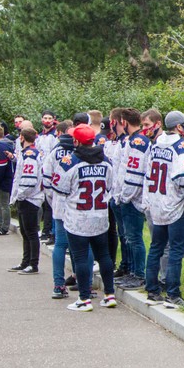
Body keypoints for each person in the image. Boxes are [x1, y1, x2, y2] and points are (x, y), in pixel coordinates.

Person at [52, 123, 117, 312]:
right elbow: (110, 185)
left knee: (80, 258)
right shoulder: (105, 160)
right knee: (104, 255)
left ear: (75, 141)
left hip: (78, 218)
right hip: (100, 216)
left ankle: (84, 298)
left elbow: (60, 188)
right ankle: (109, 295)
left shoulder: (69, 161)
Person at [143, 111, 184, 309]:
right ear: (178, 127)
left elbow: (147, 174)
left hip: (157, 204)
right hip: (176, 205)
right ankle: (173, 294)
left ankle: (152, 290)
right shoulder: (182, 147)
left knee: (156, 247)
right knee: (175, 250)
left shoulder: (155, 144)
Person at [115, 108, 157, 290]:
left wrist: (125, 196)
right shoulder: (131, 141)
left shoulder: (138, 142)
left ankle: (138, 274)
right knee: (128, 237)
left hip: (133, 197)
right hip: (127, 195)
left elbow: (135, 173)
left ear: (123, 122)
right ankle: (132, 271)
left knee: (134, 237)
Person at [44, 120, 83, 298]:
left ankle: (58, 285)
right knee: (83, 246)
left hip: (59, 203)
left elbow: (47, 180)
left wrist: (53, 200)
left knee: (60, 244)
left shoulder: (55, 153)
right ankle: (86, 284)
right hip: (80, 205)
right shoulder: (84, 153)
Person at [8, 127, 44, 274]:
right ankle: (25, 261)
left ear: (22, 138)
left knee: (31, 232)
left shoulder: (30, 155)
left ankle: (33, 264)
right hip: (25, 197)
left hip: (30, 198)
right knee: (24, 231)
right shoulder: (25, 153)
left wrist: (20, 195)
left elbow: (29, 179)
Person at [105, 108, 130, 280]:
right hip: (115, 193)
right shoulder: (118, 142)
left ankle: (130, 268)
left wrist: (122, 195)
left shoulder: (128, 141)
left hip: (124, 194)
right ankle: (125, 265)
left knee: (129, 235)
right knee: (123, 234)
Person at [36, 110, 58, 240]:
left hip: (51, 172)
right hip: (41, 171)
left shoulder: (54, 136)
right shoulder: (39, 136)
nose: (47, 120)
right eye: (45, 118)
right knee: (44, 203)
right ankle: (45, 229)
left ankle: (49, 230)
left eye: (50, 118)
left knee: (50, 204)